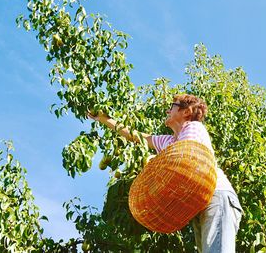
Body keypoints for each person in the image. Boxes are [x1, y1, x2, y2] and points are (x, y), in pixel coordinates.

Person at [88, 93, 243, 253]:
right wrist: (103, 119)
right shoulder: (168, 142)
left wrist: (153, 159)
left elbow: (188, 158)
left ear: (186, 111)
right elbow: (136, 136)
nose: (168, 111)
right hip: (199, 204)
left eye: (172, 106)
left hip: (217, 196)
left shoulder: (193, 127)